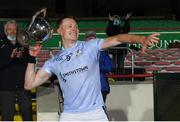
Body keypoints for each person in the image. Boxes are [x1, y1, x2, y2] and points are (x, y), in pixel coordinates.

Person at [24, 16, 160, 121]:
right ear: (59, 30)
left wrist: (141, 39)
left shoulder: (90, 46)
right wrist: (31, 58)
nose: (74, 29)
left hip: (96, 114)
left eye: (76, 26)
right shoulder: (54, 61)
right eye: (70, 26)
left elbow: (118, 38)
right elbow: (29, 84)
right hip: (70, 116)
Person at [0, 20, 33, 121]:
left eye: (14, 29)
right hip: (6, 88)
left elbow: (30, 61)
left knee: (27, 116)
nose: (12, 32)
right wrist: (10, 57)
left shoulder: (23, 43)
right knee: (7, 117)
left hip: (23, 86)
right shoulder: (1, 45)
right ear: (5, 31)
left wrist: (21, 57)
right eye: (9, 29)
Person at [85, 30, 113, 103]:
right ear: (86, 40)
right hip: (86, 89)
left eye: (92, 38)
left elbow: (108, 67)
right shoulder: (81, 53)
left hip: (101, 87)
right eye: (88, 38)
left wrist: (95, 65)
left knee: (100, 111)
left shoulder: (103, 52)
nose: (91, 40)